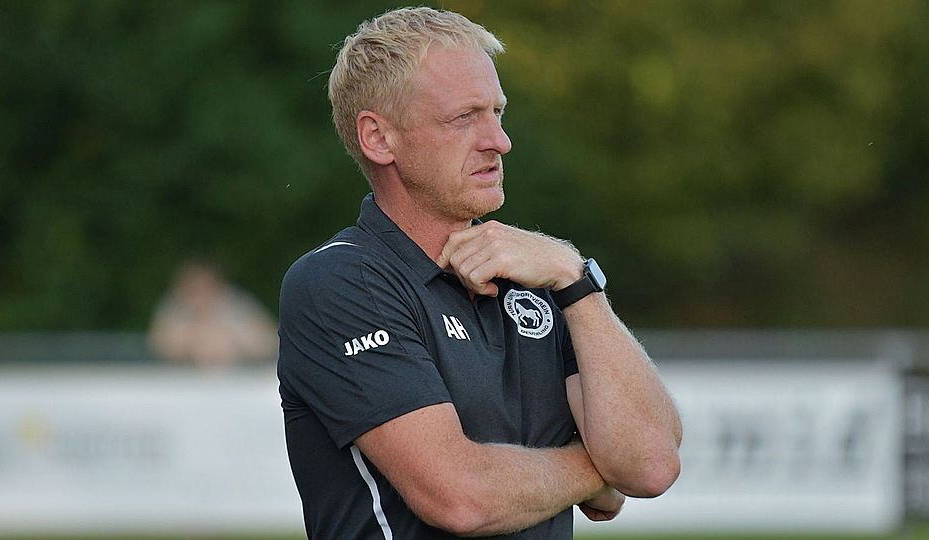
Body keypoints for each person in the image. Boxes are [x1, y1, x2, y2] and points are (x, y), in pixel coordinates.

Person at [277, 7, 682, 539]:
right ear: (379, 139)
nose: (499, 140)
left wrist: (576, 278)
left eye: (497, 112)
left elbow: (651, 466)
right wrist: (596, 472)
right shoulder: (340, 282)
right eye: (463, 117)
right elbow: (460, 497)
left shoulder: (538, 277)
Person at [149, 260, 277, 369]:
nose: (200, 295)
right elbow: (159, 344)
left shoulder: (237, 304)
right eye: (194, 288)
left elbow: (268, 342)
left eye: (204, 286)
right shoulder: (174, 306)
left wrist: (231, 338)